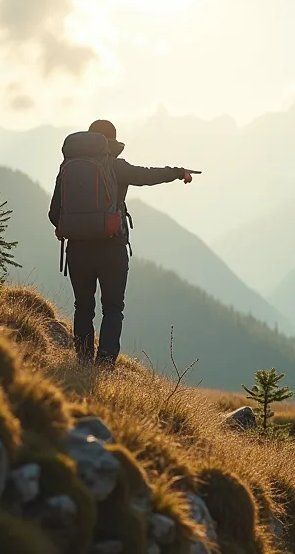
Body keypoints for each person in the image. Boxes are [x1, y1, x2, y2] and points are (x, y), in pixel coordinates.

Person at [48, 119, 197, 368]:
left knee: (83, 306)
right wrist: (178, 172)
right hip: (112, 248)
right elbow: (148, 175)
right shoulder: (116, 166)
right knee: (112, 308)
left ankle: (83, 362)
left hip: (78, 250)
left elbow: (54, 213)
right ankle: (105, 365)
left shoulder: (68, 167)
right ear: (112, 142)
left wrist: (76, 226)